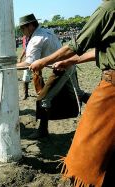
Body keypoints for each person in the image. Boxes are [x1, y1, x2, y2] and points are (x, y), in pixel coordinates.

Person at [29, 0, 115, 186]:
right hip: (83, 70)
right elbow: (104, 51)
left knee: (87, 143)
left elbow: (75, 45)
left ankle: (83, 178)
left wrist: (43, 62)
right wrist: (73, 61)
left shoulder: (109, 8)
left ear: (28, 26)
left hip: (112, 86)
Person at [17, 13, 90, 139]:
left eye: (22, 28)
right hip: (69, 65)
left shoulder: (35, 40)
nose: (22, 32)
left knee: (43, 99)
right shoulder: (47, 31)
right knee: (78, 93)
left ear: (29, 26)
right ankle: (106, 107)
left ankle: (42, 130)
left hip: (61, 68)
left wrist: (11, 66)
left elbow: (29, 63)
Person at [18, 35, 31, 100]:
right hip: (29, 58)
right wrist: (21, 57)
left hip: (32, 59)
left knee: (37, 76)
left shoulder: (31, 37)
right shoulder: (25, 38)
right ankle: (26, 93)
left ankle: (40, 92)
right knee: (26, 76)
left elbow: (25, 48)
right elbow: (25, 49)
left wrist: (20, 57)